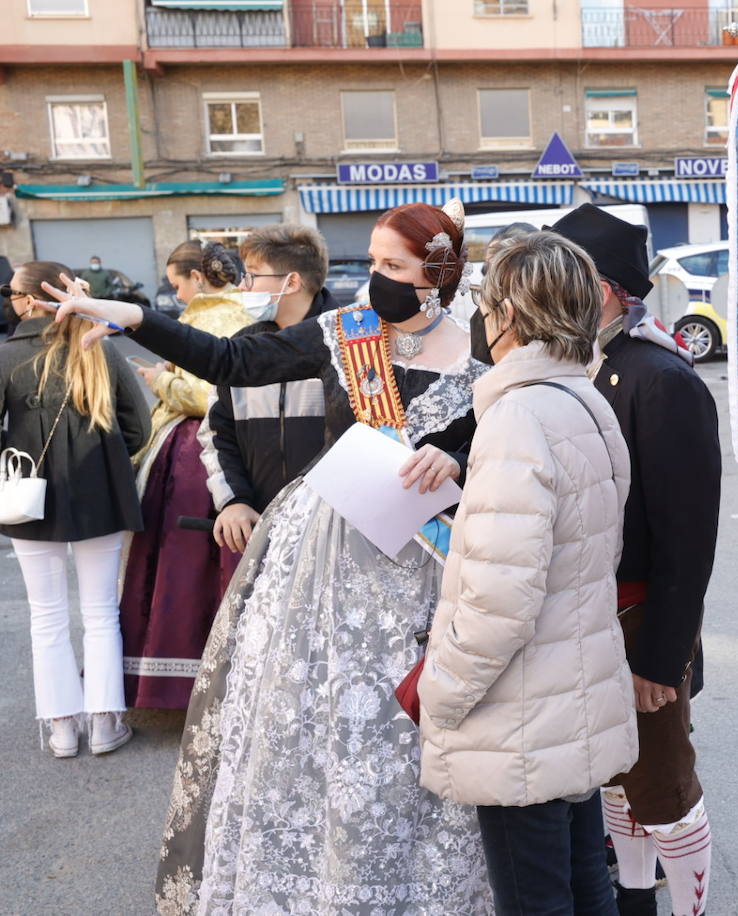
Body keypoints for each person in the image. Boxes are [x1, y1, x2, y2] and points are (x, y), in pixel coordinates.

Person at [42, 202, 493, 914]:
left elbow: (510, 437)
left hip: (436, 561)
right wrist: (132, 318)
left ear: (439, 274)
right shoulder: (347, 333)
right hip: (333, 557)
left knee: (417, 719)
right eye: (372, 263)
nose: (377, 280)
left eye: (394, 268)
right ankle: (317, 869)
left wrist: (459, 456)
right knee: (319, 717)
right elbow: (232, 361)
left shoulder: (483, 344)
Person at [417, 231, 637, 916]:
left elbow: (498, 597)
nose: (482, 318)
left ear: (510, 312)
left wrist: (442, 695)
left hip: (519, 711)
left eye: (487, 303)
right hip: (569, 692)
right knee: (582, 883)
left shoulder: (517, 415)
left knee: (536, 898)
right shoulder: (583, 399)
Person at [551, 204, 721, 916]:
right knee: (619, 783)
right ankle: (635, 901)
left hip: (642, 617)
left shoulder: (659, 378)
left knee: (663, 789)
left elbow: (689, 539)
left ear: (610, 288)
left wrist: (661, 656)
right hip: (592, 612)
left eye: (568, 277)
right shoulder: (580, 369)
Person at [0, 262, 150, 757]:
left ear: (25, 300)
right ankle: (105, 722)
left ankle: (62, 728)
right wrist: (104, 458)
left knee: (46, 615)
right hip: (100, 490)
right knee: (101, 611)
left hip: (29, 494)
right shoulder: (99, 347)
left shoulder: (6, 356)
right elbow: (139, 427)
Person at [120, 239, 252, 709]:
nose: (176, 295)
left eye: (177, 284)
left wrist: (161, 381)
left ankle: (178, 681)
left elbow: (204, 398)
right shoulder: (245, 311)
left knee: (182, 565)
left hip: (194, 457)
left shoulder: (207, 318)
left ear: (198, 278)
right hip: (230, 454)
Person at [198, 224, 339, 595]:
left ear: (291, 282)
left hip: (336, 537)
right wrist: (234, 501)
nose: (243, 286)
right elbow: (216, 434)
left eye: (253, 276)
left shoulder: (349, 343)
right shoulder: (242, 349)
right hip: (258, 532)